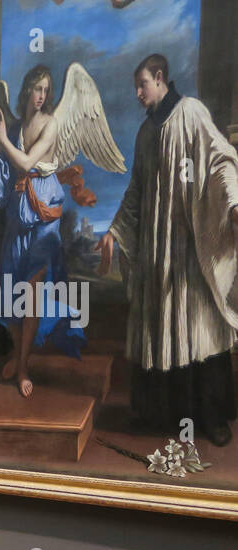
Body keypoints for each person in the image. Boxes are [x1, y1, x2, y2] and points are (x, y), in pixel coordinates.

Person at [96, 54, 238, 446]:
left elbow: (220, 160)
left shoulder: (191, 113)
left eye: (142, 84)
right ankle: (160, 414)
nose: (138, 93)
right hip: (157, 253)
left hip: (190, 248)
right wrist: (112, 232)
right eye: (136, 87)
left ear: (160, 78)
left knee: (198, 331)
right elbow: (136, 192)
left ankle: (210, 418)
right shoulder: (145, 134)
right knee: (161, 329)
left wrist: (234, 203)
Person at [0, 64, 85, 397]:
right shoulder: (19, 124)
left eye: (47, 90)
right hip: (17, 219)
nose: (43, 96)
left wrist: (4, 138)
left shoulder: (51, 123)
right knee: (10, 295)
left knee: (32, 295)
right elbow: (4, 171)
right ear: (27, 91)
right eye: (38, 89)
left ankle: (22, 368)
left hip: (43, 218)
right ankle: (21, 356)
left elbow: (26, 162)